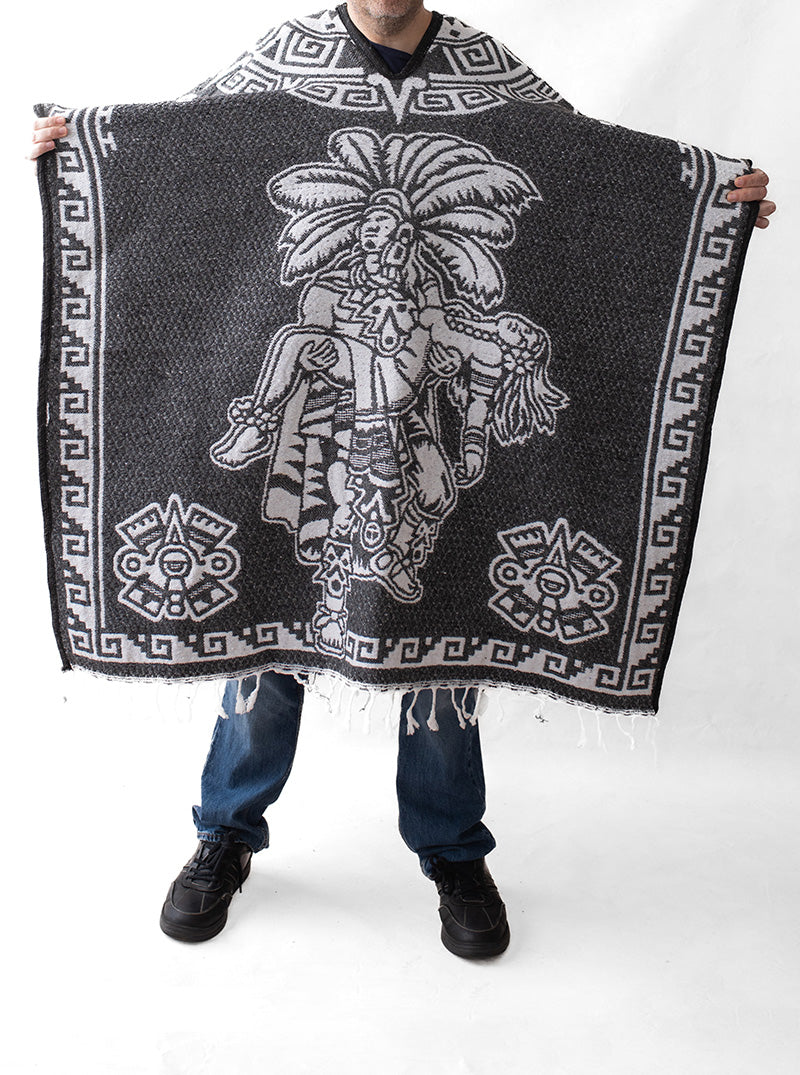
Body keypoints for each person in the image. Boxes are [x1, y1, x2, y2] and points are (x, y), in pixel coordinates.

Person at [28, 1, 776, 960]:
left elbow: (589, 175)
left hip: (416, 433)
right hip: (323, 440)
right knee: (273, 622)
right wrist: (87, 149)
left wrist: (708, 203)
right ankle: (226, 833)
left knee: (440, 640)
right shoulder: (286, 59)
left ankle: (452, 850)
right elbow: (188, 155)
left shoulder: (483, 68)